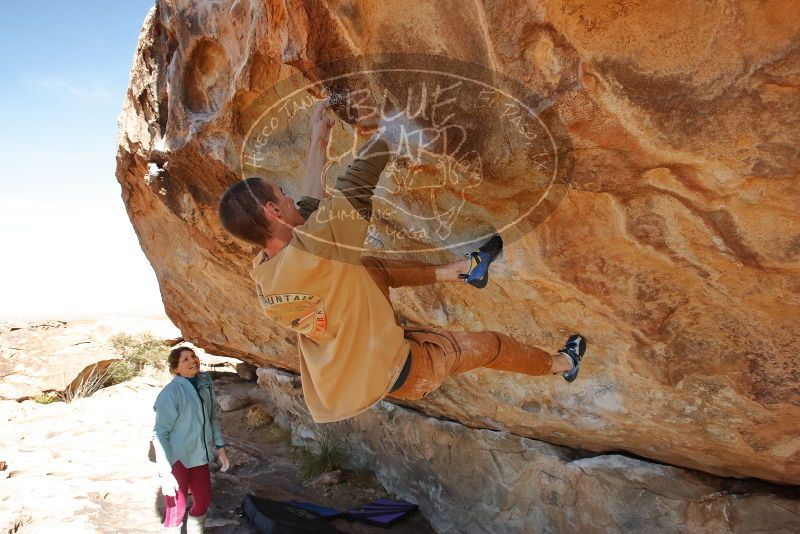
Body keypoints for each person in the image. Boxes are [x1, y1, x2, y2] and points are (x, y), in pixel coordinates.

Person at [218, 101, 588, 423]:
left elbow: (310, 210)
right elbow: (356, 185)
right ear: (272, 211)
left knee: (366, 269)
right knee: (489, 345)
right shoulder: (315, 250)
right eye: (283, 195)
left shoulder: (267, 271)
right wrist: (394, 130)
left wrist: (320, 140)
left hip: (358, 369)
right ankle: (563, 365)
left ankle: (465, 270)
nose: (290, 198)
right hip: (407, 370)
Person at [152, 347, 229, 533]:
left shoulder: (204, 382)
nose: (192, 360)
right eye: (185, 359)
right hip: (177, 458)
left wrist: (220, 447)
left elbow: (211, 417)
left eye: (193, 356)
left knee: (203, 500)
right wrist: (165, 473)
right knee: (176, 508)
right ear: (176, 369)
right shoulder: (171, 393)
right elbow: (159, 434)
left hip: (199, 455)